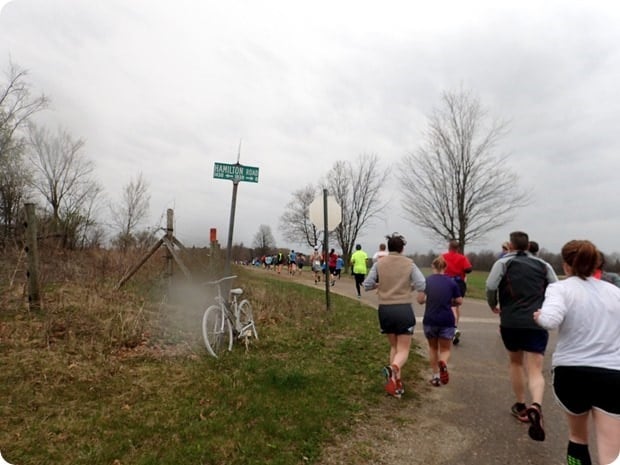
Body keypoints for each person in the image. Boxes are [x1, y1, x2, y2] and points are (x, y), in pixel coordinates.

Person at [534, 240, 620, 465]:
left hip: (571, 374)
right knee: (611, 453)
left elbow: (550, 320)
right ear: (596, 264)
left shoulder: (560, 288)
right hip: (612, 374)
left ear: (565, 266)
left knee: (578, 437)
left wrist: (539, 316)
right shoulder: (615, 292)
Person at [486, 231, 558, 442]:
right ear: (528, 246)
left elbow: (491, 287)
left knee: (515, 363)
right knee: (535, 368)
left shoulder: (503, 263)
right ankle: (536, 404)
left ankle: (521, 405)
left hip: (511, 321)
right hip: (537, 320)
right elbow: (555, 288)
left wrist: (493, 305)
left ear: (510, 245)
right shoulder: (544, 265)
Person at [363, 233, 426, 398]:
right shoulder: (409, 264)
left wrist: (381, 284)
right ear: (402, 248)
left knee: (394, 347)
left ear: (389, 248)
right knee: (404, 349)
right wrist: (409, 288)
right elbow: (421, 283)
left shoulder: (379, 264)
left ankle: (396, 383)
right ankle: (394, 369)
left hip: (385, 309)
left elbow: (367, 285)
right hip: (403, 308)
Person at [419, 256, 462, 387]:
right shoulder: (451, 282)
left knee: (432, 348)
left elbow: (420, 299)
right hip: (447, 320)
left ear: (433, 267)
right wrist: (451, 301)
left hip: (430, 319)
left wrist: (428, 299)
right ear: (445, 267)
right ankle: (443, 362)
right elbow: (459, 301)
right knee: (445, 349)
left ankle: (436, 376)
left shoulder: (427, 281)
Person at [442, 239, 472, 344]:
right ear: (457, 248)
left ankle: (452, 329)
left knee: (448, 306)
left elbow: (437, 266)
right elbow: (468, 269)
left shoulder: (443, 256)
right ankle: (454, 326)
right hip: (459, 283)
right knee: (456, 306)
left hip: (445, 282)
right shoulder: (462, 258)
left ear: (449, 247)